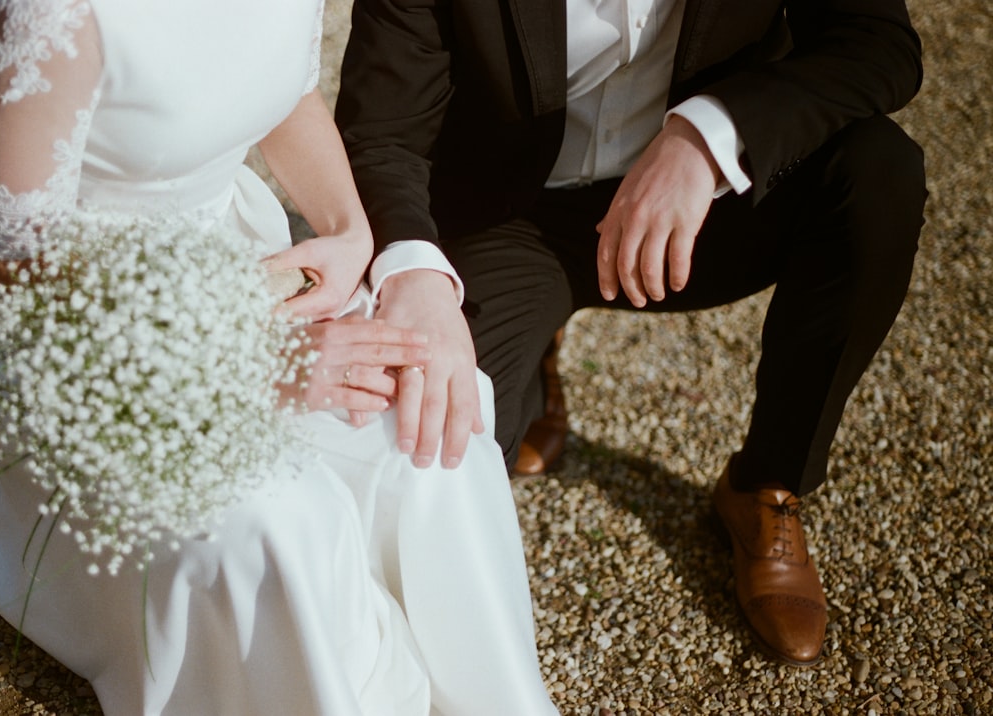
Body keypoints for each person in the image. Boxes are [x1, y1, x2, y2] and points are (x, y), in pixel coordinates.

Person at [0, 1, 559, 714]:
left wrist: (349, 230)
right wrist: (244, 358)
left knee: (425, 425)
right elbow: (20, 270)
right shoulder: (52, 14)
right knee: (277, 521)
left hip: (242, 256)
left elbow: (286, 93)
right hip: (94, 333)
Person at [335, 0, 927, 666]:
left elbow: (881, 44)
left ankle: (766, 486)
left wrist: (709, 137)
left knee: (880, 173)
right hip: (510, 219)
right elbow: (382, 131)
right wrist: (416, 278)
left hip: (704, 210)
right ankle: (536, 355)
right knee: (432, 458)